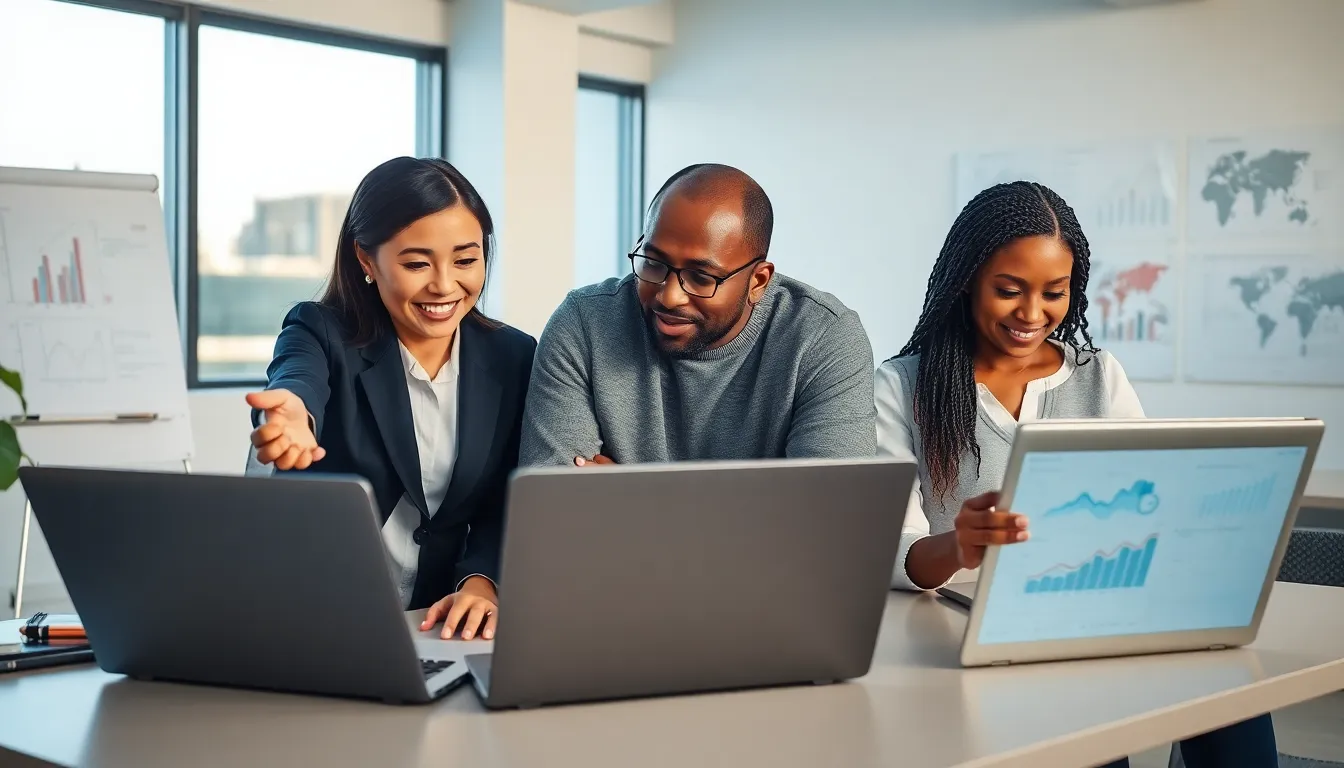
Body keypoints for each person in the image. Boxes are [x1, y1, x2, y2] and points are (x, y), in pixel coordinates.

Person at [875, 181, 1278, 767]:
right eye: (1008, 291)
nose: (1032, 315)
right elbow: (893, 554)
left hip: (1090, 614)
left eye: (1053, 293)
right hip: (964, 639)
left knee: (1228, 682)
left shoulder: (1100, 377)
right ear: (966, 282)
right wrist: (960, 546)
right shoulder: (902, 387)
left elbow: (1151, 506)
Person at [246, 157, 535, 642]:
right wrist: (291, 411)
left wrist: (481, 583)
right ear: (366, 260)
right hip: (316, 616)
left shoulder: (514, 355)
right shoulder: (320, 331)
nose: (444, 285)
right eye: (416, 263)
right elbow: (297, 379)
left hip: (433, 624)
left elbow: (508, 493)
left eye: (466, 259)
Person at [520, 163, 876, 466]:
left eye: (701, 277)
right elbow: (560, 520)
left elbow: (824, 526)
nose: (670, 295)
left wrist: (628, 495)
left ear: (758, 281)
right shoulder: (584, 324)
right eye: (654, 262)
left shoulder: (824, 339)